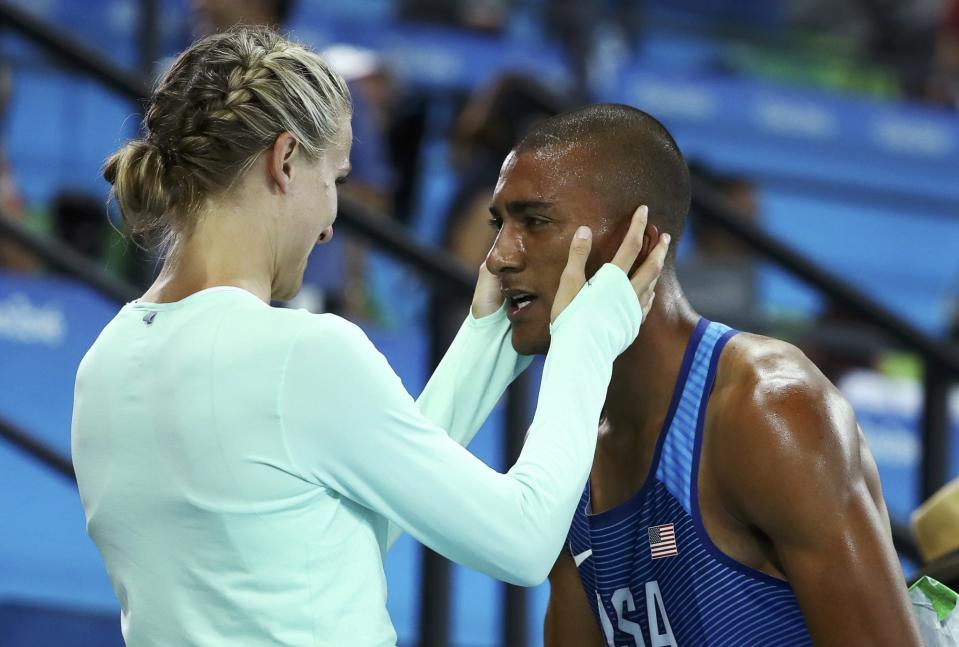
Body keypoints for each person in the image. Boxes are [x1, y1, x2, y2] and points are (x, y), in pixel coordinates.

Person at [70, 28, 669, 646]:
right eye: (337, 181)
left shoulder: (103, 365)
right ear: (285, 162)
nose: (332, 226)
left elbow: (333, 527)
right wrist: (587, 340)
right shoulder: (302, 357)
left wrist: (487, 344)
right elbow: (522, 541)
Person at [483, 103, 922, 645]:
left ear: (638, 241)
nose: (499, 256)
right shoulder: (565, 444)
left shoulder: (770, 410)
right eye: (499, 224)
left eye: (535, 222)